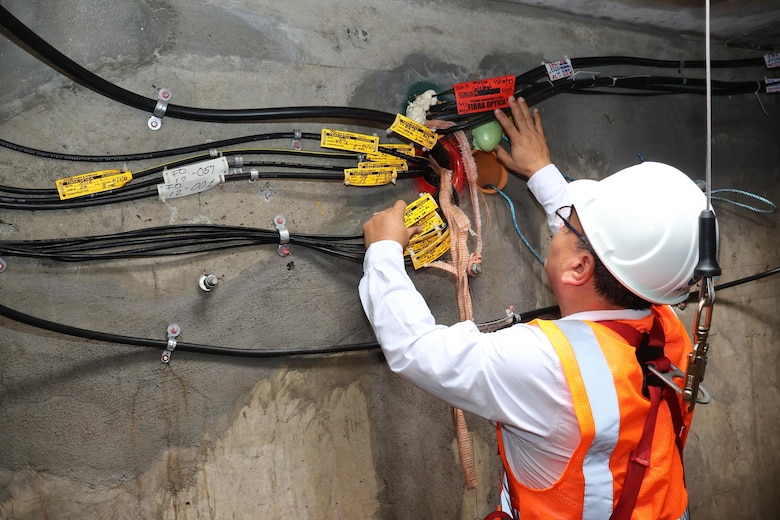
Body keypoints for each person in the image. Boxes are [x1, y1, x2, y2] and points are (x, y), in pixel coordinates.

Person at [359, 96, 704, 520]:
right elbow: (602, 254)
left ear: (579, 267)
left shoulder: (547, 365)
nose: (562, 221)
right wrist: (542, 173)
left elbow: (416, 349)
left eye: (571, 220)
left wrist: (384, 253)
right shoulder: (667, 327)